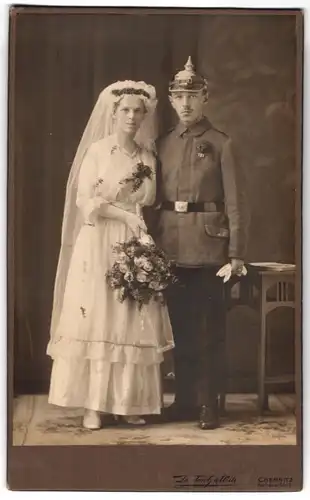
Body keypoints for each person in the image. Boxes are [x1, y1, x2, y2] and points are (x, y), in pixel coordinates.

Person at [47, 81, 174, 430]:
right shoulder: (98, 151)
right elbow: (85, 201)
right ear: (114, 114)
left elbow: (148, 200)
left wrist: (136, 224)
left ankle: (126, 402)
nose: (132, 117)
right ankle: (93, 406)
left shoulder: (147, 155)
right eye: (126, 111)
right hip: (100, 239)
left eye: (138, 111)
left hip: (133, 237)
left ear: (145, 115)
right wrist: (125, 216)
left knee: (130, 315)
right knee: (99, 315)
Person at [153, 57, 247, 430]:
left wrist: (237, 252)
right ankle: (185, 401)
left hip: (210, 252)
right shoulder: (162, 144)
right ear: (171, 100)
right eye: (179, 96)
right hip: (171, 247)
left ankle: (210, 405)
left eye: (193, 96)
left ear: (206, 98)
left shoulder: (222, 144)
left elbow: (237, 202)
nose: (186, 103)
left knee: (209, 331)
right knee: (181, 330)